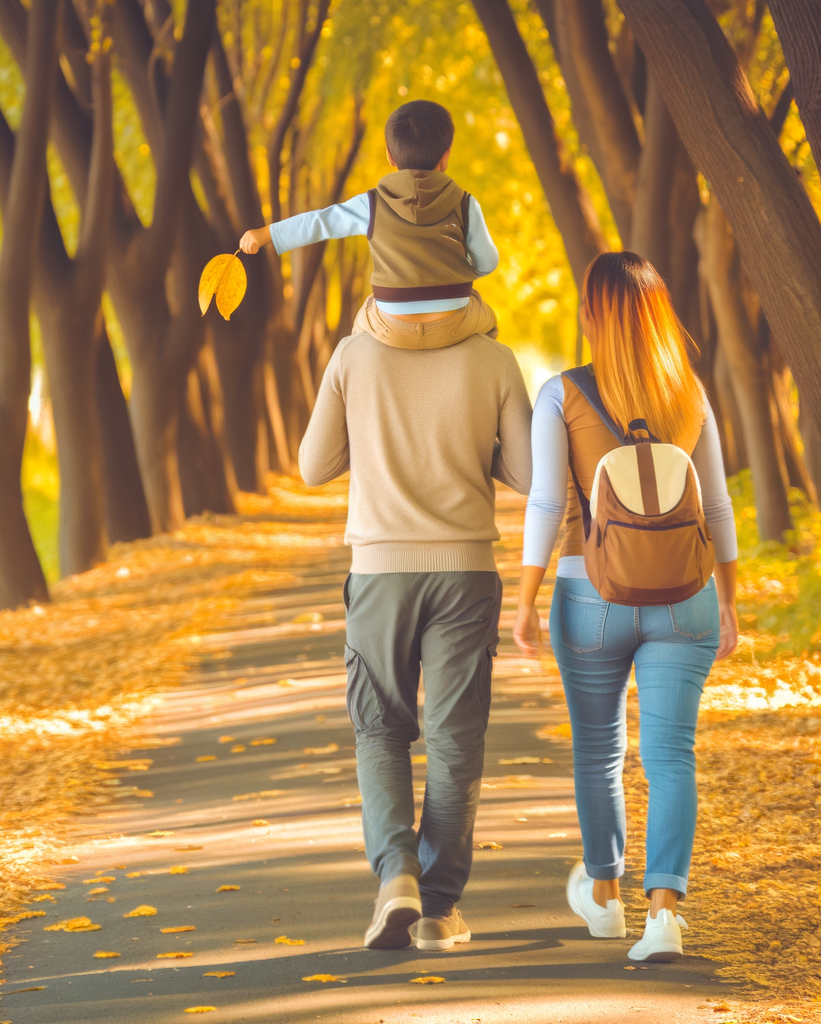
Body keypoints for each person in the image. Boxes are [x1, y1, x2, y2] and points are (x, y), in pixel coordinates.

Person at [295, 104, 533, 954]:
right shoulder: (496, 359)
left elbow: (313, 467)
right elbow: (533, 479)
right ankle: (439, 908)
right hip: (467, 570)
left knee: (380, 728)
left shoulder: (353, 357)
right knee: (455, 739)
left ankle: (393, 871)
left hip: (381, 573)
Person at [514, 251, 739, 962]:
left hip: (590, 596)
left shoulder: (562, 393)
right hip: (687, 598)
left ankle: (606, 898)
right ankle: (665, 914)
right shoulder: (689, 394)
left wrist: (524, 601)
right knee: (671, 753)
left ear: (592, 314)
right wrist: (729, 601)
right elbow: (720, 505)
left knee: (598, 751)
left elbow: (548, 503)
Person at [240, 99, 499, 343]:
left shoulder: (372, 203)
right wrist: (465, 271)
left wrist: (267, 233)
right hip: (454, 314)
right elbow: (488, 263)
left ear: (390, 156)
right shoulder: (465, 203)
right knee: (488, 321)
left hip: (389, 320)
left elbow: (320, 222)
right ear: (446, 155)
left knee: (359, 330)